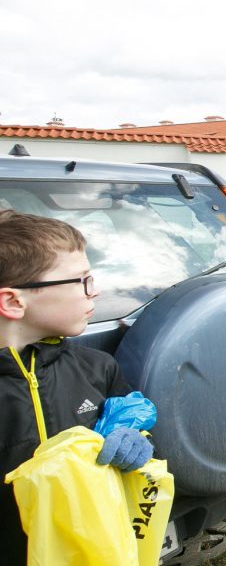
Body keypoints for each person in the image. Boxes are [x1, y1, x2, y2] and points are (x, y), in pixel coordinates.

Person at [0, 210, 154, 564]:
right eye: (81, 280)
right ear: (13, 301)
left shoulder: (96, 367)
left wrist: (135, 439)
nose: (94, 290)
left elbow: (138, 440)